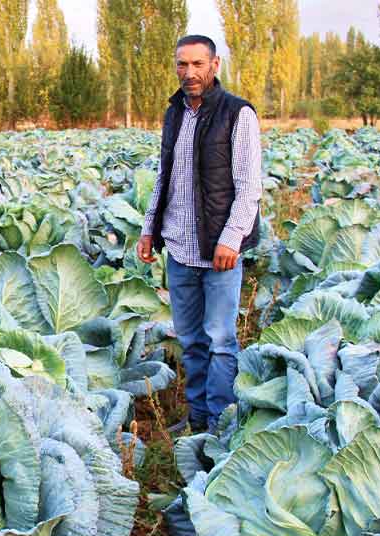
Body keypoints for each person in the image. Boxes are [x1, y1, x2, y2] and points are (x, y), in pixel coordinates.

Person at [137, 34, 262, 434]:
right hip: (179, 249)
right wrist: (149, 228)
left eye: (197, 64)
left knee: (221, 342)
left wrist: (232, 237)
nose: (189, 73)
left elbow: (248, 186)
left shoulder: (237, 114)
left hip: (218, 252)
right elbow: (165, 176)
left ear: (215, 66)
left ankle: (220, 426)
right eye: (182, 64)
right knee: (191, 342)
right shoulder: (174, 113)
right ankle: (198, 419)